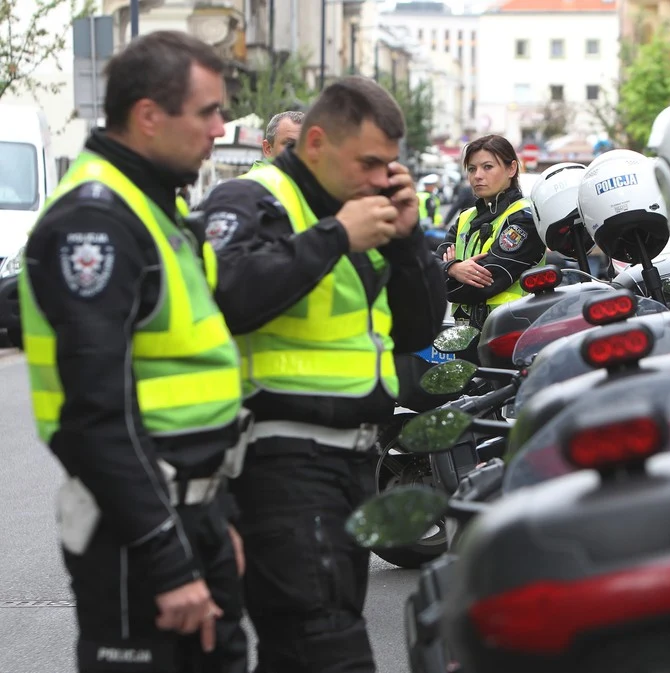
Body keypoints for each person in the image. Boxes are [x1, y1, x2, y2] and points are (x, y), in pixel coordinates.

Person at [196, 75, 447, 673]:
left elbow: (415, 332)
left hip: (349, 462)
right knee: (328, 648)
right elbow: (227, 294)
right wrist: (336, 237)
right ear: (314, 143)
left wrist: (411, 242)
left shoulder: (358, 210)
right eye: (367, 161)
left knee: (302, 647)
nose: (378, 177)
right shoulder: (255, 199)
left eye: (388, 164)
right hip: (279, 461)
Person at [18, 31, 249, 672]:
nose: (220, 127)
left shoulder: (153, 209)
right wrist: (169, 559)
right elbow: (99, 420)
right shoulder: (96, 222)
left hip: (189, 515)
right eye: (207, 111)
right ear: (148, 115)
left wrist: (214, 514)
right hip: (137, 534)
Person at [438, 134, 546, 328]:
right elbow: (431, 267)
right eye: (472, 169)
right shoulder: (466, 217)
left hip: (511, 332)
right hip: (465, 332)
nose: (477, 175)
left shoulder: (524, 218)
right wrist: (452, 269)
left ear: (511, 168)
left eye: (487, 167)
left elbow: (486, 282)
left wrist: (444, 273)